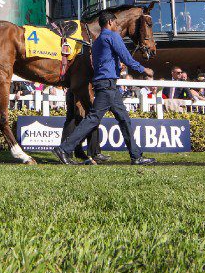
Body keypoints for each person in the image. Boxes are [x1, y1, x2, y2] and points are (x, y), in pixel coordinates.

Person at [54, 11, 156, 166]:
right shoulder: (113, 36)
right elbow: (126, 58)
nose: (116, 26)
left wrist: (115, 65)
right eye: (115, 23)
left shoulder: (98, 41)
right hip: (108, 85)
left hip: (106, 84)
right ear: (109, 23)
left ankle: (136, 156)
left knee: (124, 119)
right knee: (93, 119)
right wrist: (144, 70)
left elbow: (102, 61)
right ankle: (64, 148)